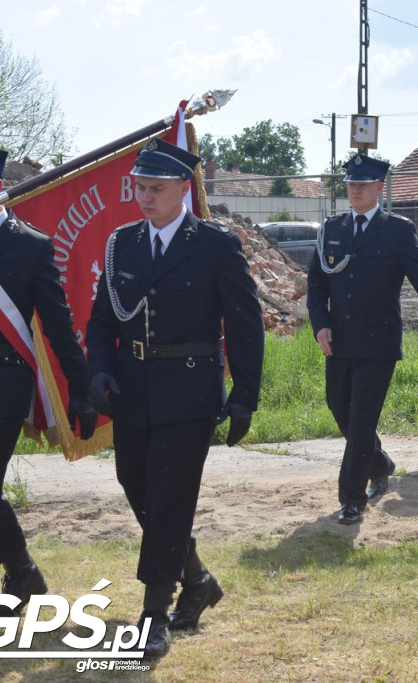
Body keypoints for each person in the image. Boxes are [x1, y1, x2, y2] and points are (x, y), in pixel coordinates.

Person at [87, 139, 265, 658]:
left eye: (156, 189)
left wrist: (245, 396)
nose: (145, 197)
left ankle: (153, 614)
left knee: (170, 497)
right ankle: (198, 580)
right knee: (135, 483)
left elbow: (245, 323)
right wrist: (97, 370)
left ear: (183, 190)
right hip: (132, 387)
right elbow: (101, 321)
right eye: (140, 187)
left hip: (190, 390)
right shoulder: (122, 243)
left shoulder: (214, 244)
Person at [0, 143, 97, 639]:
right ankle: (25, 573)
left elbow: (58, 325)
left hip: (2, 381)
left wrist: (79, 390)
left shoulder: (32, 245)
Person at [308, 154, 418, 521]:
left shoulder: (397, 230)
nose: (355, 189)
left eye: (363, 184)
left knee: (361, 421)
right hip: (340, 341)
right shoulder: (332, 229)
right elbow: (316, 285)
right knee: (340, 411)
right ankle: (379, 462)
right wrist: (320, 323)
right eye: (351, 183)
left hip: (378, 342)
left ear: (379, 188)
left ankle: (351, 499)